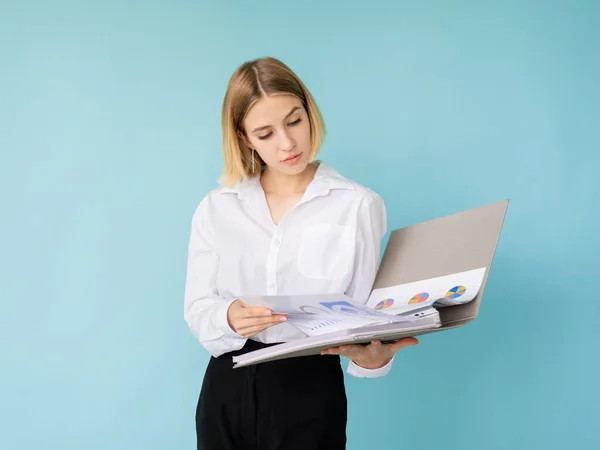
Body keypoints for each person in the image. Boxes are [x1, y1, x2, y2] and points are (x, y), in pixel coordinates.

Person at [183, 56, 419, 450]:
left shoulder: (357, 205)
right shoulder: (217, 206)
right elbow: (197, 308)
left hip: (308, 386)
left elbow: (362, 316)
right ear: (244, 138)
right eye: (265, 133)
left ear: (310, 114)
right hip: (226, 384)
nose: (287, 143)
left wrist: (372, 359)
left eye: (294, 121)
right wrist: (227, 315)